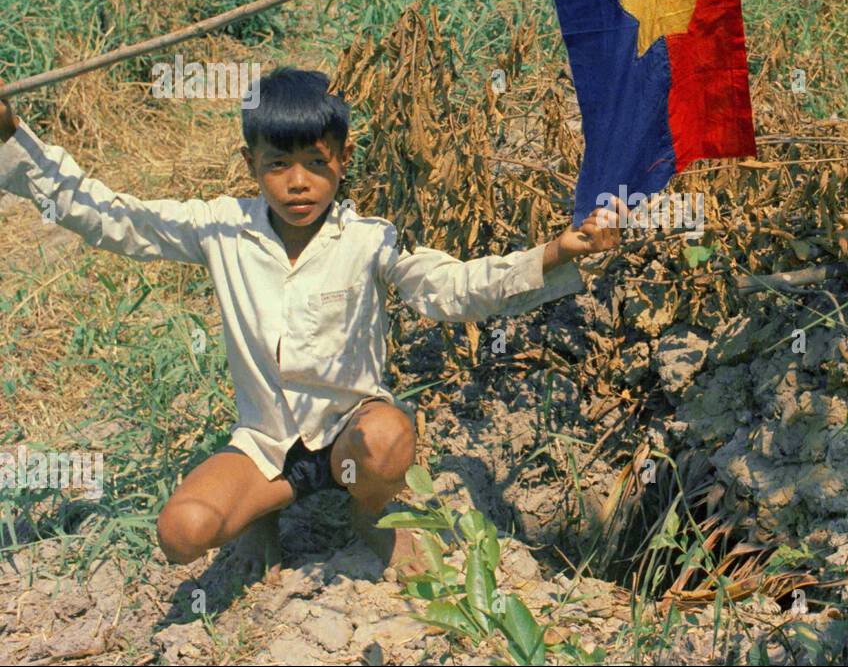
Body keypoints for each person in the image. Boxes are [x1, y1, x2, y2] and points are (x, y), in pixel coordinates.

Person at [0, 68, 624, 580]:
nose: (297, 182)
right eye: (277, 164)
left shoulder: (370, 241)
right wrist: (13, 138)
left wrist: (553, 254)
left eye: (315, 163)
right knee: (183, 533)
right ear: (251, 164)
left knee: (387, 439)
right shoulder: (221, 228)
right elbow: (112, 216)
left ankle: (370, 511)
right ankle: (264, 511)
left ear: (343, 160)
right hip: (267, 447)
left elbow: (454, 289)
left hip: (351, 438)